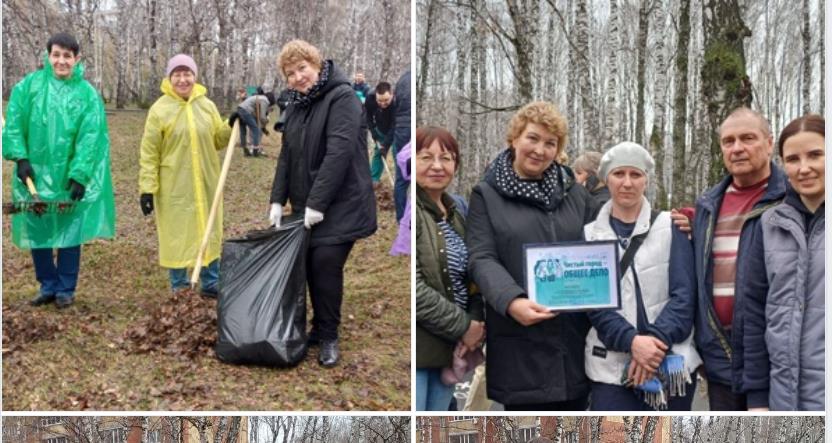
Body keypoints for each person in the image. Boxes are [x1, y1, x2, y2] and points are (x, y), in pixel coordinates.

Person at [466, 101, 599, 410]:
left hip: (572, 343)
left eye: (550, 143)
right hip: (520, 342)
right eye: (533, 138)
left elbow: (602, 243)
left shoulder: (575, 194)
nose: (540, 150)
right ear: (514, 139)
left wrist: (670, 223)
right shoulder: (487, 195)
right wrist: (512, 300)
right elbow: (481, 257)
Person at [269, 40, 377, 367]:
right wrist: (277, 199)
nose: (298, 77)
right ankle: (317, 328)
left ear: (317, 65)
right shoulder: (298, 105)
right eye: (290, 73)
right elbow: (287, 155)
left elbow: (339, 153)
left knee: (325, 261)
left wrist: (316, 203)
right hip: (309, 204)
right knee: (311, 260)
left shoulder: (342, 98)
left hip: (343, 203)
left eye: (302, 68)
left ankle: (329, 334)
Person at [583, 142, 701, 411]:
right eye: (618, 174)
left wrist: (651, 348)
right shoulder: (589, 236)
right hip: (610, 370)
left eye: (635, 175)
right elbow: (595, 305)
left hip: (671, 365)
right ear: (606, 179)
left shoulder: (672, 227)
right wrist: (632, 342)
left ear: (646, 180)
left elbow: (684, 297)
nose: (627, 183)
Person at [2, 32, 115, 309]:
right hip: (35, 176)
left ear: (77, 59)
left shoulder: (87, 95)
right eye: (56, 55)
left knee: (69, 230)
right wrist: (20, 158)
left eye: (67, 56)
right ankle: (47, 285)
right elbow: (14, 122)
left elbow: (91, 137)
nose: (61, 61)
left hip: (67, 176)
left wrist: (80, 174)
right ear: (48, 56)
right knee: (38, 228)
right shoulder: (29, 87)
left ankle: (65, 288)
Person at [690, 107, 788, 410]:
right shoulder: (707, 206)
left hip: (775, 359)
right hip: (721, 358)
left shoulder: (791, 199)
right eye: (728, 141)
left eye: (748, 138)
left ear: (769, 143)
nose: (737, 148)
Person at [741, 114, 824, 411]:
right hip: (782, 399)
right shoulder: (769, 224)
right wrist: (758, 399)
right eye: (792, 159)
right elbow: (753, 313)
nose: (804, 168)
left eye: (815, 155)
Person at [138, 54, 231, 298]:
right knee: (176, 233)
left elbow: (219, 139)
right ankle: (179, 286)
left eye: (187, 73)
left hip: (206, 180)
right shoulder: (160, 110)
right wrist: (147, 188)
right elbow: (149, 152)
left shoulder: (207, 106)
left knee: (208, 226)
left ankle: (210, 282)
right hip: (174, 184)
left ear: (195, 76)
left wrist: (233, 122)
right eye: (177, 74)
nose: (182, 79)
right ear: (169, 78)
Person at [415, 127, 484, 410]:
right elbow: (415, 289)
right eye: (426, 157)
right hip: (420, 349)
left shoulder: (457, 212)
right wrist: (464, 325)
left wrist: (476, 324)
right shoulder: (411, 211)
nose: (436, 166)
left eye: (446, 158)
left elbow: (475, 276)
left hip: (450, 350)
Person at [365, 81, 397, 185]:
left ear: (392, 94)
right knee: (378, 153)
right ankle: (374, 180)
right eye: (380, 101)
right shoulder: (370, 98)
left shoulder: (397, 102)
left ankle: (400, 181)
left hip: (397, 131)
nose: (383, 104)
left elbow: (394, 125)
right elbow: (367, 116)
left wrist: (386, 144)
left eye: (386, 100)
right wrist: (373, 131)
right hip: (381, 127)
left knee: (398, 154)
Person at [391, 70, 412, 222]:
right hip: (408, 126)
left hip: (402, 128)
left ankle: (402, 219)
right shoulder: (409, 77)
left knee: (401, 178)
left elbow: (395, 105)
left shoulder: (403, 78)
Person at [230, 91, 275, 157]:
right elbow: (262, 117)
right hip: (246, 111)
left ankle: (245, 151)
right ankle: (255, 151)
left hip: (240, 109)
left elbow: (256, 114)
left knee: (243, 131)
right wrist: (267, 120)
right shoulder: (265, 100)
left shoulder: (259, 97)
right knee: (256, 130)